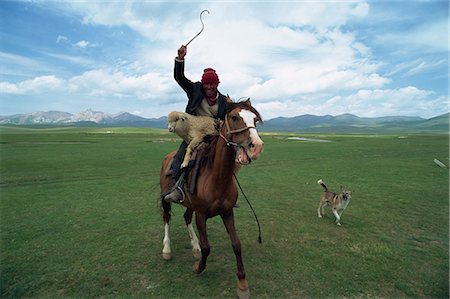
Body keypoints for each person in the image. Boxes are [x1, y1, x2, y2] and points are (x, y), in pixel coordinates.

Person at [163, 45, 229, 203]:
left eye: (212, 85)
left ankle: (226, 192)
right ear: (203, 83)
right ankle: (177, 188)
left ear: (217, 84)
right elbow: (179, 77)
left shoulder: (223, 100)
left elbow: (226, 117)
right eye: (206, 84)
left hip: (213, 136)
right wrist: (180, 58)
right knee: (180, 156)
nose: (209, 88)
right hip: (193, 134)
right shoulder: (195, 90)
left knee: (227, 158)